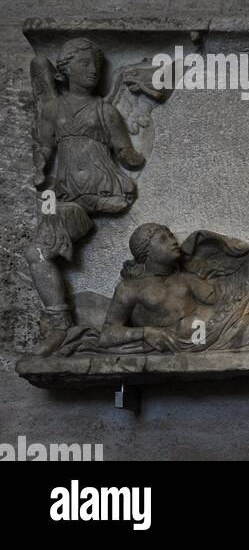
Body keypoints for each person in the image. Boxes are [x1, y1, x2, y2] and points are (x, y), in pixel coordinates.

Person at [57, 224, 249, 355]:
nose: (173, 240)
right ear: (145, 252)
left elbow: (222, 295)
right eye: (163, 238)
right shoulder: (130, 289)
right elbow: (109, 333)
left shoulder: (184, 278)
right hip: (198, 340)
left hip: (221, 321)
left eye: (171, 235)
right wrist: (146, 333)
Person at [27, 38, 146, 355]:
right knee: (37, 251)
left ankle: (60, 328)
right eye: (84, 63)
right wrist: (39, 167)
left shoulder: (104, 110)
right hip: (67, 194)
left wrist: (134, 158)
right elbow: (44, 148)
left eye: (96, 64)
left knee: (39, 249)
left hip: (102, 189)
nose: (92, 70)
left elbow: (125, 151)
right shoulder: (52, 109)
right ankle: (59, 325)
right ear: (65, 70)